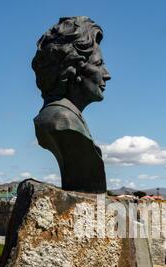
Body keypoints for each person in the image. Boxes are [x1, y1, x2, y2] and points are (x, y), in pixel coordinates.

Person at [32, 17, 111, 192]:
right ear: (73, 69)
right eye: (98, 64)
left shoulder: (63, 118)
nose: (107, 74)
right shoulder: (62, 121)